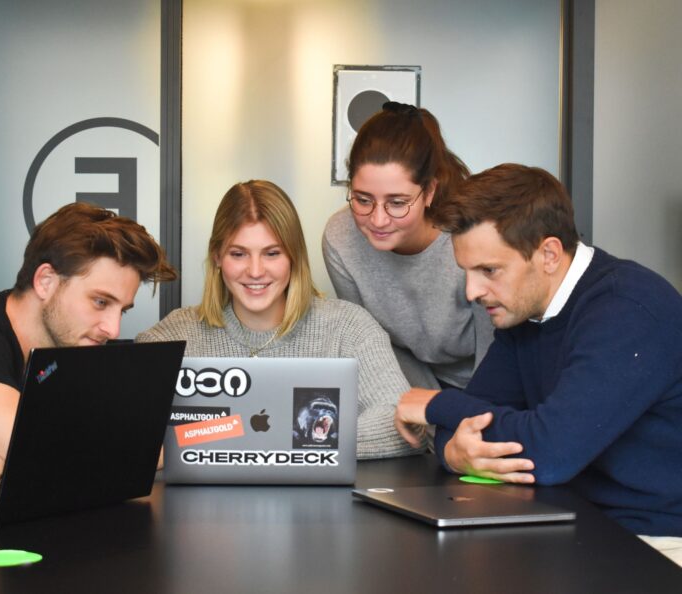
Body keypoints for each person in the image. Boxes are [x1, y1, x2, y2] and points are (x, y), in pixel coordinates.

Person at [394, 163, 682, 564]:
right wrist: (454, 451)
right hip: (572, 525)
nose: (472, 291)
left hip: (657, 541)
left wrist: (433, 404)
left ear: (548, 253)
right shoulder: (524, 313)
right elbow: (469, 426)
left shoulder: (628, 309)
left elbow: (548, 452)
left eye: (489, 270)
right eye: (467, 272)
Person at [0, 202, 176, 537]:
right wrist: (13, 456)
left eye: (122, 309)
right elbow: (52, 456)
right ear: (46, 280)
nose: (112, 328)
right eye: (100, 302)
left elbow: (136, 454)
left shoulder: (66, 354)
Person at [137, 180, 419, 459]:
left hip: (316, 505)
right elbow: (123, 429)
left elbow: (403, 425)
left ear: (293, 257)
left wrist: (258, 437)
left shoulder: (349, 327)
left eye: (272, 253)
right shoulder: (174, 336)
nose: (256, 271)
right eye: (238, 254)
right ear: (217, 257)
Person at [323, 102, 493, 391]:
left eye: (397, 203)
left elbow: (497, 349)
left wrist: (460, 412)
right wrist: (425, 413)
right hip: (408, 386)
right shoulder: (341, 238)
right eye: (363, 199)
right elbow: (368, 344)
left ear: (429, 192)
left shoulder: (475, 233)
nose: (377, 219)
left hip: (492, 382)